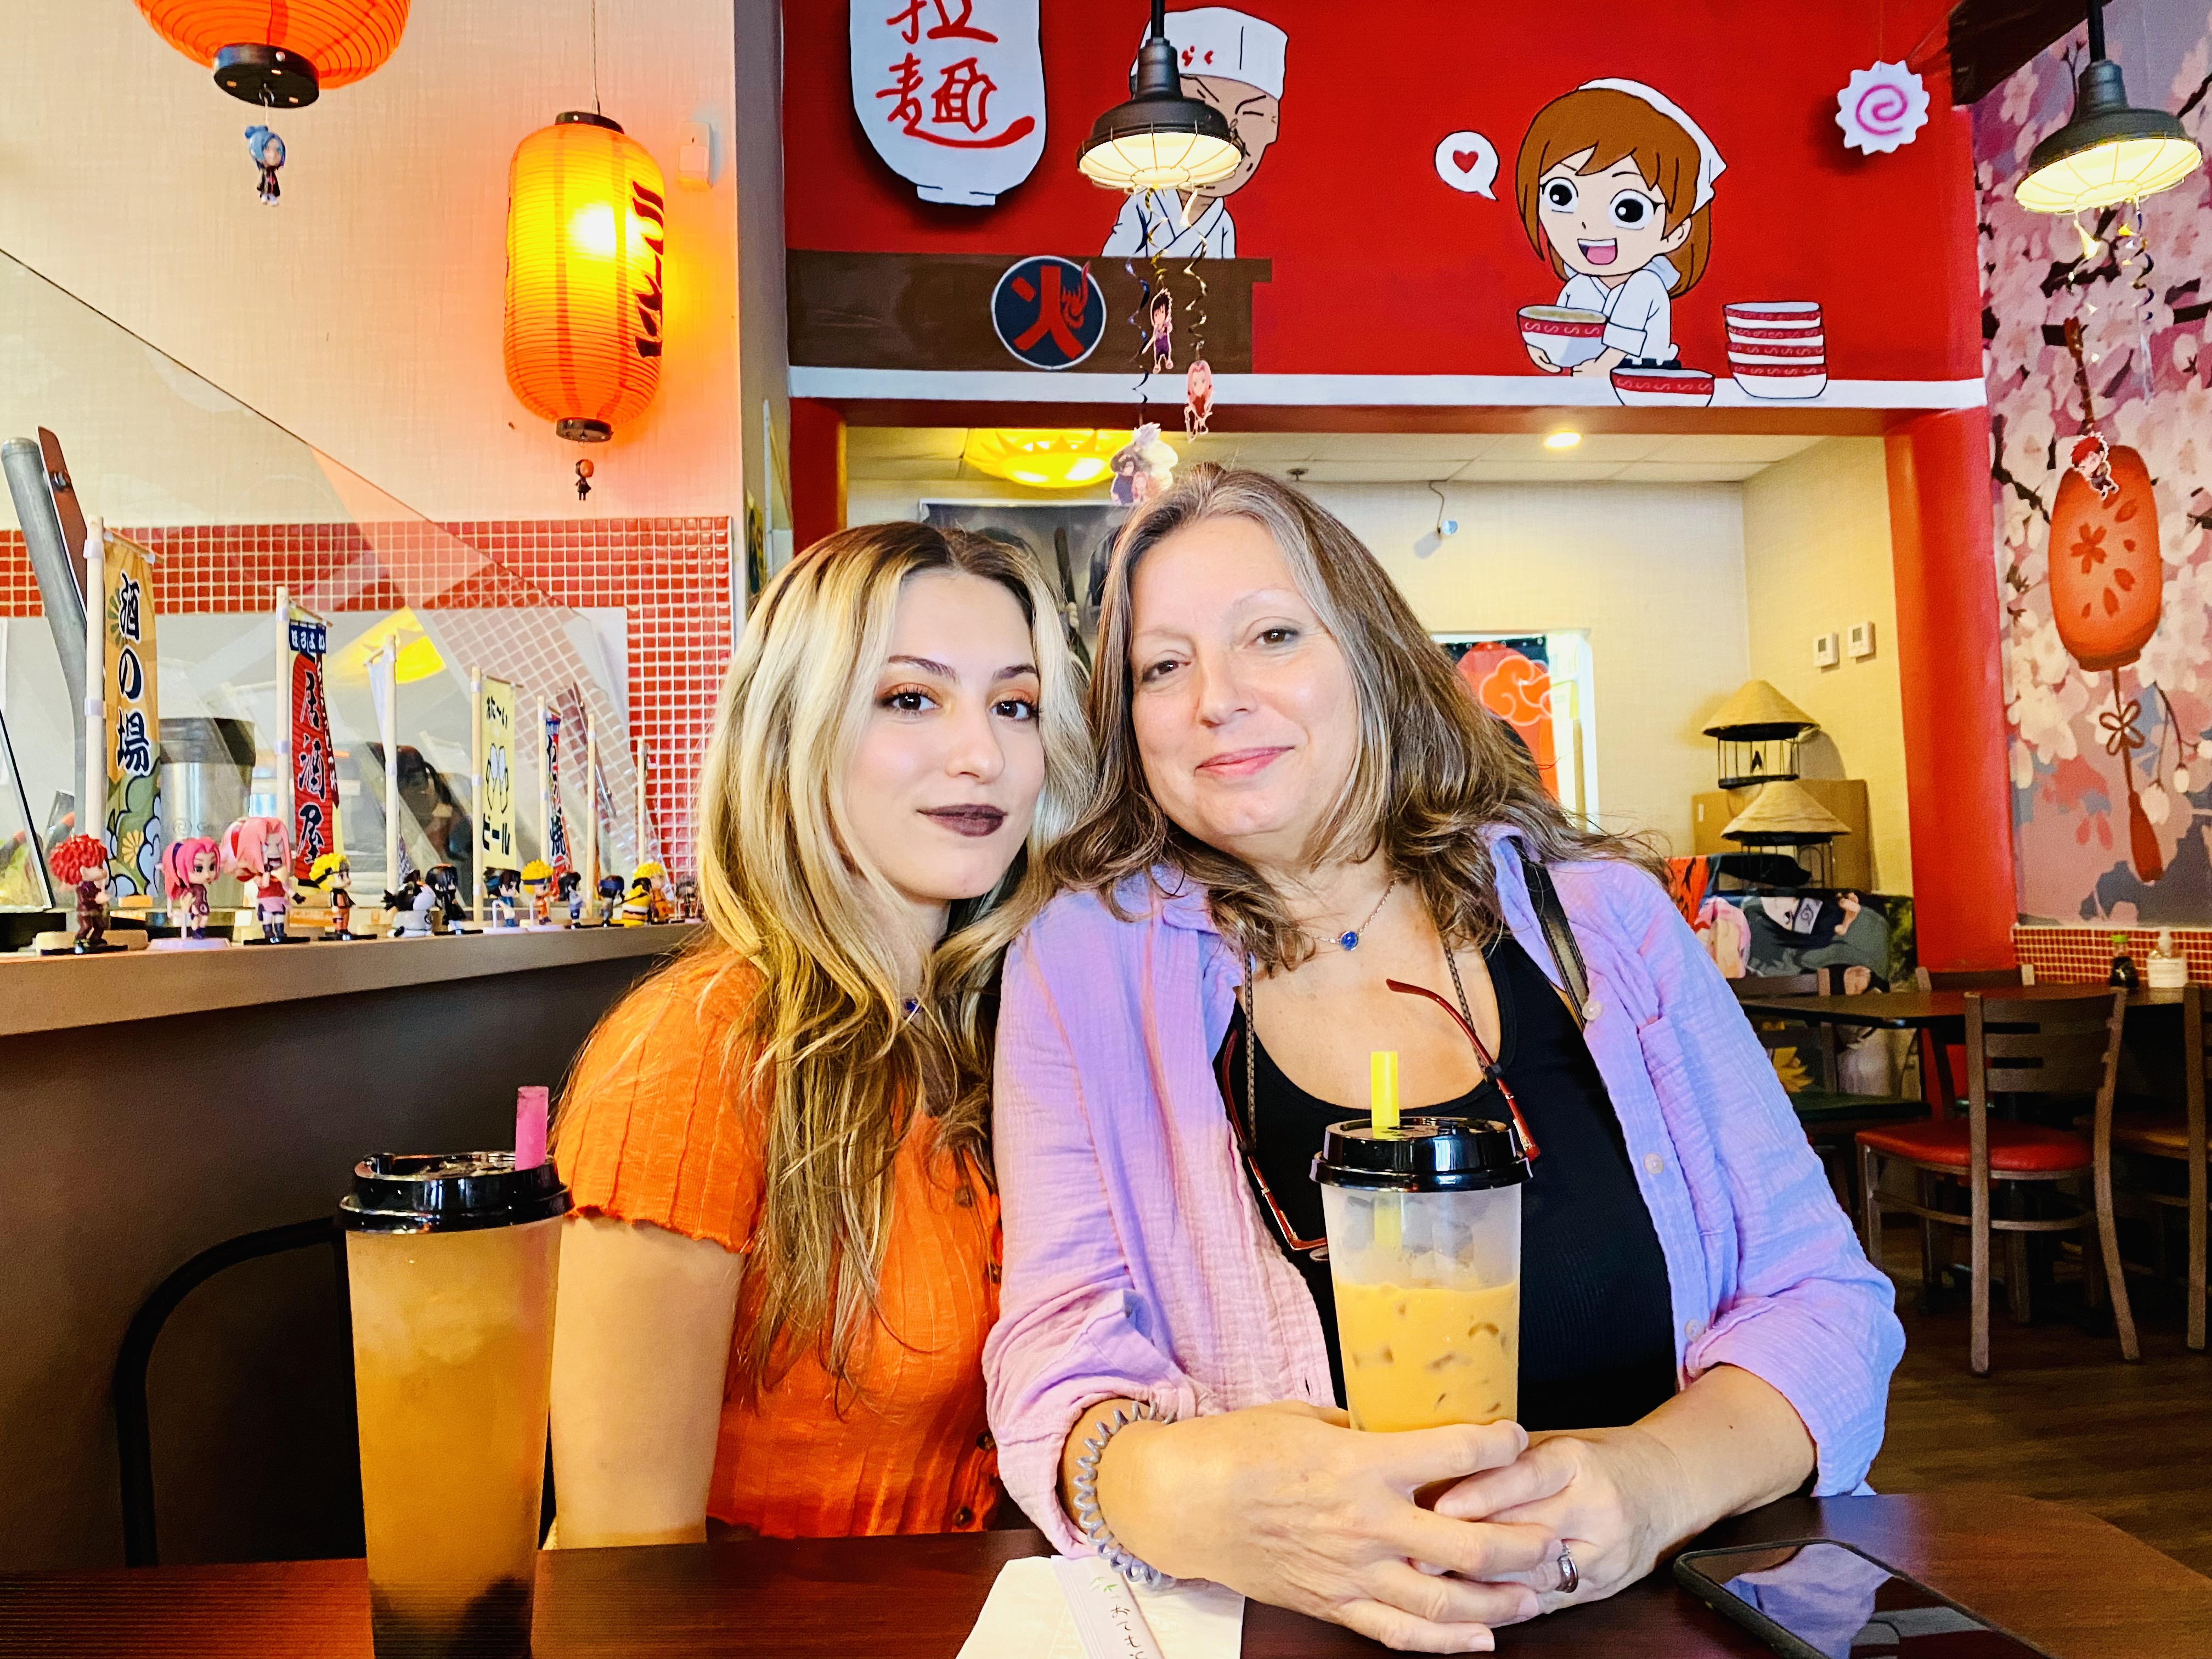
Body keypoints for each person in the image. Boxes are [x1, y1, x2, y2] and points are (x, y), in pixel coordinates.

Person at [984, 465, 1902, 1652]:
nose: (1215, 699)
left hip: (1661, 1620)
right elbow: (1054, 1351)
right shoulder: (1083, 961)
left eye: (1271, 635)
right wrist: (1195, 1497)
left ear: (1372, 656)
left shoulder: (1606, 925)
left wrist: (1651, 1484)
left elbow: (1825, 1300)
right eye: (1162, 667)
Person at [549, 523, 1089, 1547]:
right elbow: (623, 1560)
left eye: (1014, 706)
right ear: (791, 730)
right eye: (910, 698)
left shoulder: (988, 1031)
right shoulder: (695, 1048)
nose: (982, 755)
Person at [1516, 80, 1724, 379]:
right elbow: (1565, 337)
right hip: (1588, 392)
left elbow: (1622, 346)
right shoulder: (1579, 288)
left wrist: (1600, 369)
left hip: (1643, 382)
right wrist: (1545, 350)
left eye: (1629, 209)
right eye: (1561, 195)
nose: (1590, 224)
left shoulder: (1645, 286)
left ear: (1675, 232)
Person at [1102, 7, 1286, 258]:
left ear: (1273, 126)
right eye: (1202, 107)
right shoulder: (1144, 205)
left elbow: (1228, 278)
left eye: (1252, 115)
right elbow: (1111, 270)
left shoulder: (1221, 224)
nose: (1228, 133)